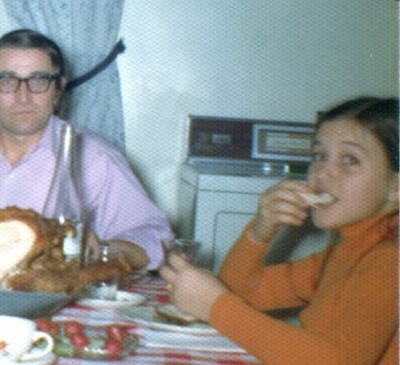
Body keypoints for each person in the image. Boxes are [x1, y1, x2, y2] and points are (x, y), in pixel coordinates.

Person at [0, 29, 173, 269]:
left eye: (39, 80)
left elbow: (155, 238)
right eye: (7, 80)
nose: (23, 96)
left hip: (52, 306)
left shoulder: (93, 157)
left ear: (58, 89)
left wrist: (104, 250)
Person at [159, 97, 398, 364]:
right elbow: (243, 292)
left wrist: (215, 305)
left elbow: (338, 360)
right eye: (319, 156)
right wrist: (259, 232)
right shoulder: (341, 254)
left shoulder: (389, 261)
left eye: (350, 160)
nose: (323, 172)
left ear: (396, 187)